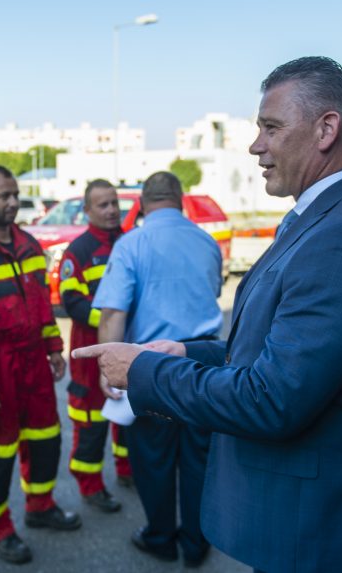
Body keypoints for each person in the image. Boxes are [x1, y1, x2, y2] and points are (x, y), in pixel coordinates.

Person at [74, 56, 342, 572]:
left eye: (271, 128)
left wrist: (143, 370)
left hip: (322, 530)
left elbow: (272, 399)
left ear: (327, 129)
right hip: (307, 523)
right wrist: (188, 351)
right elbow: (274, 346)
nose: (256, 145)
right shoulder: (319, 220)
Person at [0, 165, 81, 564]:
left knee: (45, 440)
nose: (11, 203)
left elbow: (42, 304)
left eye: (15, 196)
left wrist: (54, 347)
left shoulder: (28, 245)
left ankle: (40, 507)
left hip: (33, 364)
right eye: (2, 196)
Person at [93, 171, 221, 566]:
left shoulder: (131, 244)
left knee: (153, 457)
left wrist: (106, 368)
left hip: (151, 367)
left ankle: (161, 538)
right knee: (200, 459)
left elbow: (114, 311)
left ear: (143, 204)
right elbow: (213, 293)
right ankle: (197, 544)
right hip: (203, 361)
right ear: (181, 200)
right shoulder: (207, 241)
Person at [59, 179, 132, 512]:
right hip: (91, 354)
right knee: (90, 423)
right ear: (86, 211)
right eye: (103, 205)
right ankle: (90, 486)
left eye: (114, 203)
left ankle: (128, 471)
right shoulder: (79, 251)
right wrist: (111, 323)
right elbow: (71, 302)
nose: (112, 210)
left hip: (129, 345)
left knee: (128, 415)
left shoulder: (131, 243)